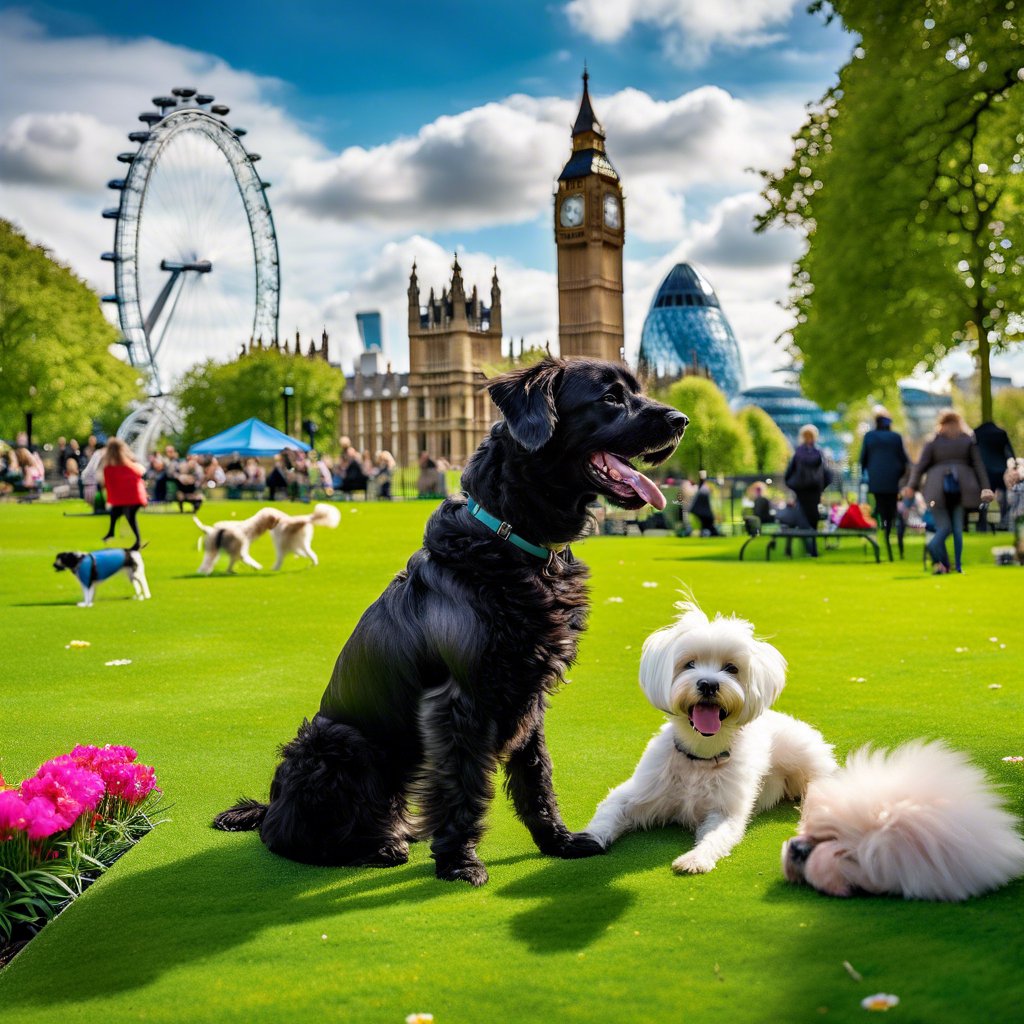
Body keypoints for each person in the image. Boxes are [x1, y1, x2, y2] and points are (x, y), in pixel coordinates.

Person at [905, 410, 994, 575]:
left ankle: (937, 553)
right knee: (957, 529)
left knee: (943, 527)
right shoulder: (967, 440)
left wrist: (912, 486)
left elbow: (920, 467)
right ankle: (958, 566)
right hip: (962, 488)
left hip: (936, 488)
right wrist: (985, 487)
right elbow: (978, 465)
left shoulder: (933, 441)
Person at [859, 405, 910, 559]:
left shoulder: (869, 437)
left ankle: (884, 542)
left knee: (881, 512)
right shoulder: (896, 437)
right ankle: (895, 546)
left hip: (876, 482)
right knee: (892, 513)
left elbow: (863, 459)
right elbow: (904, 460)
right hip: (893, 482)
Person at [783, 424, 831, 557]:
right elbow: (827, 474)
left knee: (801, 520)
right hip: (814, 492)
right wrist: (821, 488)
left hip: (802, 492)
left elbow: (788, 474)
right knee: (813, 520)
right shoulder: (819, 454)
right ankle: (813, 549)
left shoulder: (798, 453)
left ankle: (805, 549)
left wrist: (795, 487)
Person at [101, 437, 148, 549]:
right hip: (134, 496)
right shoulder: (128, 465)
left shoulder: (110, 468)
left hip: (131, 498)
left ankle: (137, 542)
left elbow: (109, 485)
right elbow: (140, 474)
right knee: (115, 513)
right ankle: (111, 532)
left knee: (129, 517)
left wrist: (109, 498)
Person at [973, 420, 1015, 531]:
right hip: (1001, 470)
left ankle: (982, 524)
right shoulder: (1001, 433)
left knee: (985, 498)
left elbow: (973, 452)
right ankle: (1004, 522)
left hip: (985, 470)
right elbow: (1009, 452)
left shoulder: (977, 433)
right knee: (1004, 498)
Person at [687, 471, 720, 536]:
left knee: (706, 523)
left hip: (699, 511)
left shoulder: (703, 489)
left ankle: (708, 533)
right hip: (701, 512)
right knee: (708, 522)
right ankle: (711, 533)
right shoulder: (704, 489)